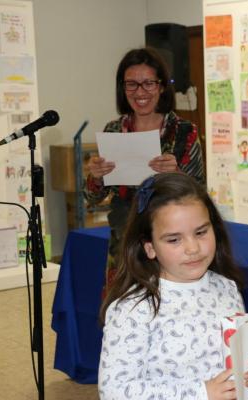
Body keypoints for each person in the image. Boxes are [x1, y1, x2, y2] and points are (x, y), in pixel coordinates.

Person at [98, 172, 248, 400]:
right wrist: (201, 393)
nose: (193, 248)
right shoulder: (133, 309)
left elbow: (231, 351)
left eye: (201, 232)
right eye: (174, 239)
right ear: (149, 247)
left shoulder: (226, 288)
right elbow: (114, 391)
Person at [85, 47, 205, 291]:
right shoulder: (113, 130)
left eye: (148, 83)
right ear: (123, 88)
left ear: (161, 86)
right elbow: (93, 198)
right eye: (132, 84)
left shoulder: (184, 132)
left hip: (173, 247)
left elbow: (200, 195)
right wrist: (95, 177)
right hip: (123, 244)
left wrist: (177, 175)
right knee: (122, 311)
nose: (140, 92)